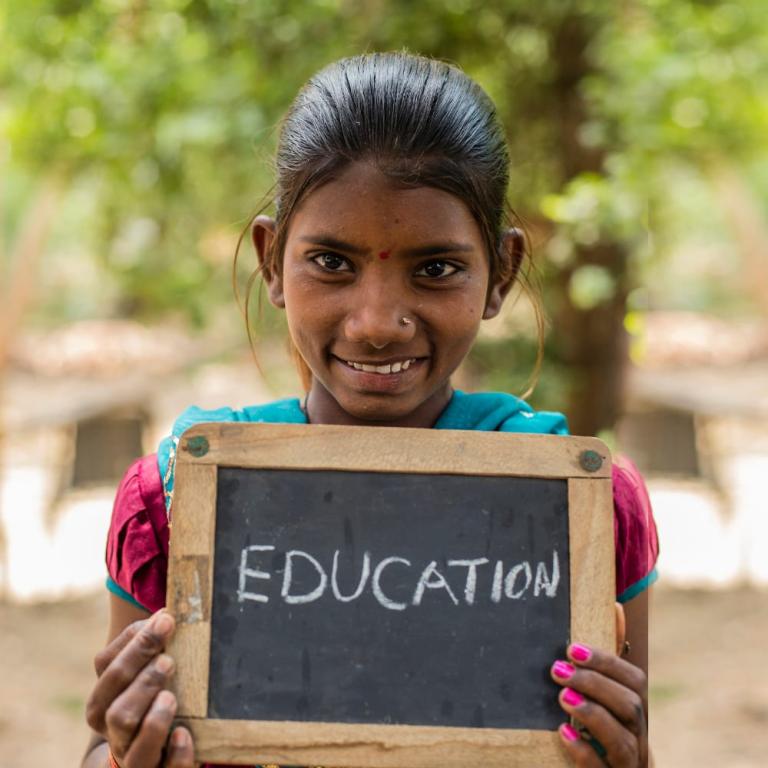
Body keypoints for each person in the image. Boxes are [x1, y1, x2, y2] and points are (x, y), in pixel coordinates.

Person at [82, 52, 658, 768]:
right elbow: (104, 748)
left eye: (436, 269)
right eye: (331, 262)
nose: (377, 322)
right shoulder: (175, 499)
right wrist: (123, 748)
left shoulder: (585, 512)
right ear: (271, 262)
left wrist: (622, 754)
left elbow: (629, 745)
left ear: (500, 274)